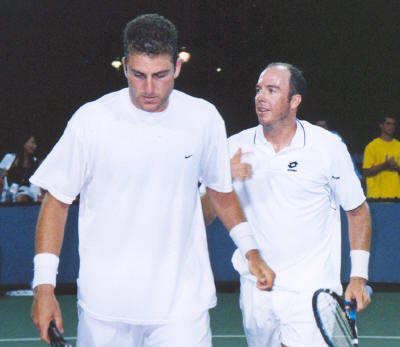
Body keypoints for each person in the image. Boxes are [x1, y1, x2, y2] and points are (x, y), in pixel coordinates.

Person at [30, 14, 271, 347]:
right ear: (125, 66)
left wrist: (251, 251)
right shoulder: (91, 121)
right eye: (139, 75)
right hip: (105, 309)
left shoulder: (204, 118)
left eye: (160, 76)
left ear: (177, 68)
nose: (148, 89)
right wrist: (44, 287)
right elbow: (56, 202)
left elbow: (221, 194)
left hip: (182, 309)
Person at [202, 62, 372, 347]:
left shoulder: (327, 147)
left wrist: (358, 276)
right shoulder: (233, 148)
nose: (260, 97)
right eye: (258, 90)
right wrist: (219, 179)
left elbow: (357, 211)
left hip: (311, 290)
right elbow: (203, 218)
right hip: (256, 289)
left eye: (272, 90)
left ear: (294, 101)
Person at [363, 115, 400, 199]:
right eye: (388, 123)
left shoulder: (399, 146)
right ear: (381, 125)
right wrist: (385, 165)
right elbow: (366, 172)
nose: (391, 126)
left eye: (393, 124)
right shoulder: (372, 146)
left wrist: (396, 167)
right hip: (376, 198)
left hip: (396, 197)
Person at [6, 135, 43, 202]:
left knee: (21, 197)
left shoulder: (35, 162)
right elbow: (2, 174)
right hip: (9, 191)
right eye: (32, 142)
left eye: (35, 144)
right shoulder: (10, 158)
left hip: (27, 192)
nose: (34, 146)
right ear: (24, 143)